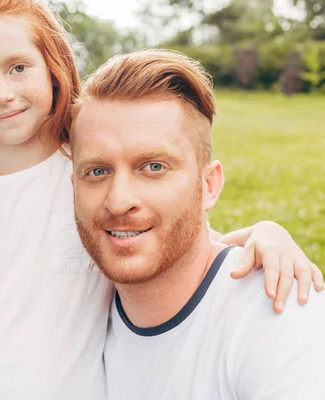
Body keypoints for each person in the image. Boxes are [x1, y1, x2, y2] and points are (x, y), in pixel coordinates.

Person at [0, 1, 323, 399]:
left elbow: (172, 244)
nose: (2, 93)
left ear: (53, 67)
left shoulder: (90, 171)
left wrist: (266, 234)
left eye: (17, 68)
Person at [70, 49, 325, 399]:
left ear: (209, 185)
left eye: (153, 167)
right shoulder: (76, 304)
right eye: (97, 171)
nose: (118, 200)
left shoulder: (279, 312)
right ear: (72, 187)